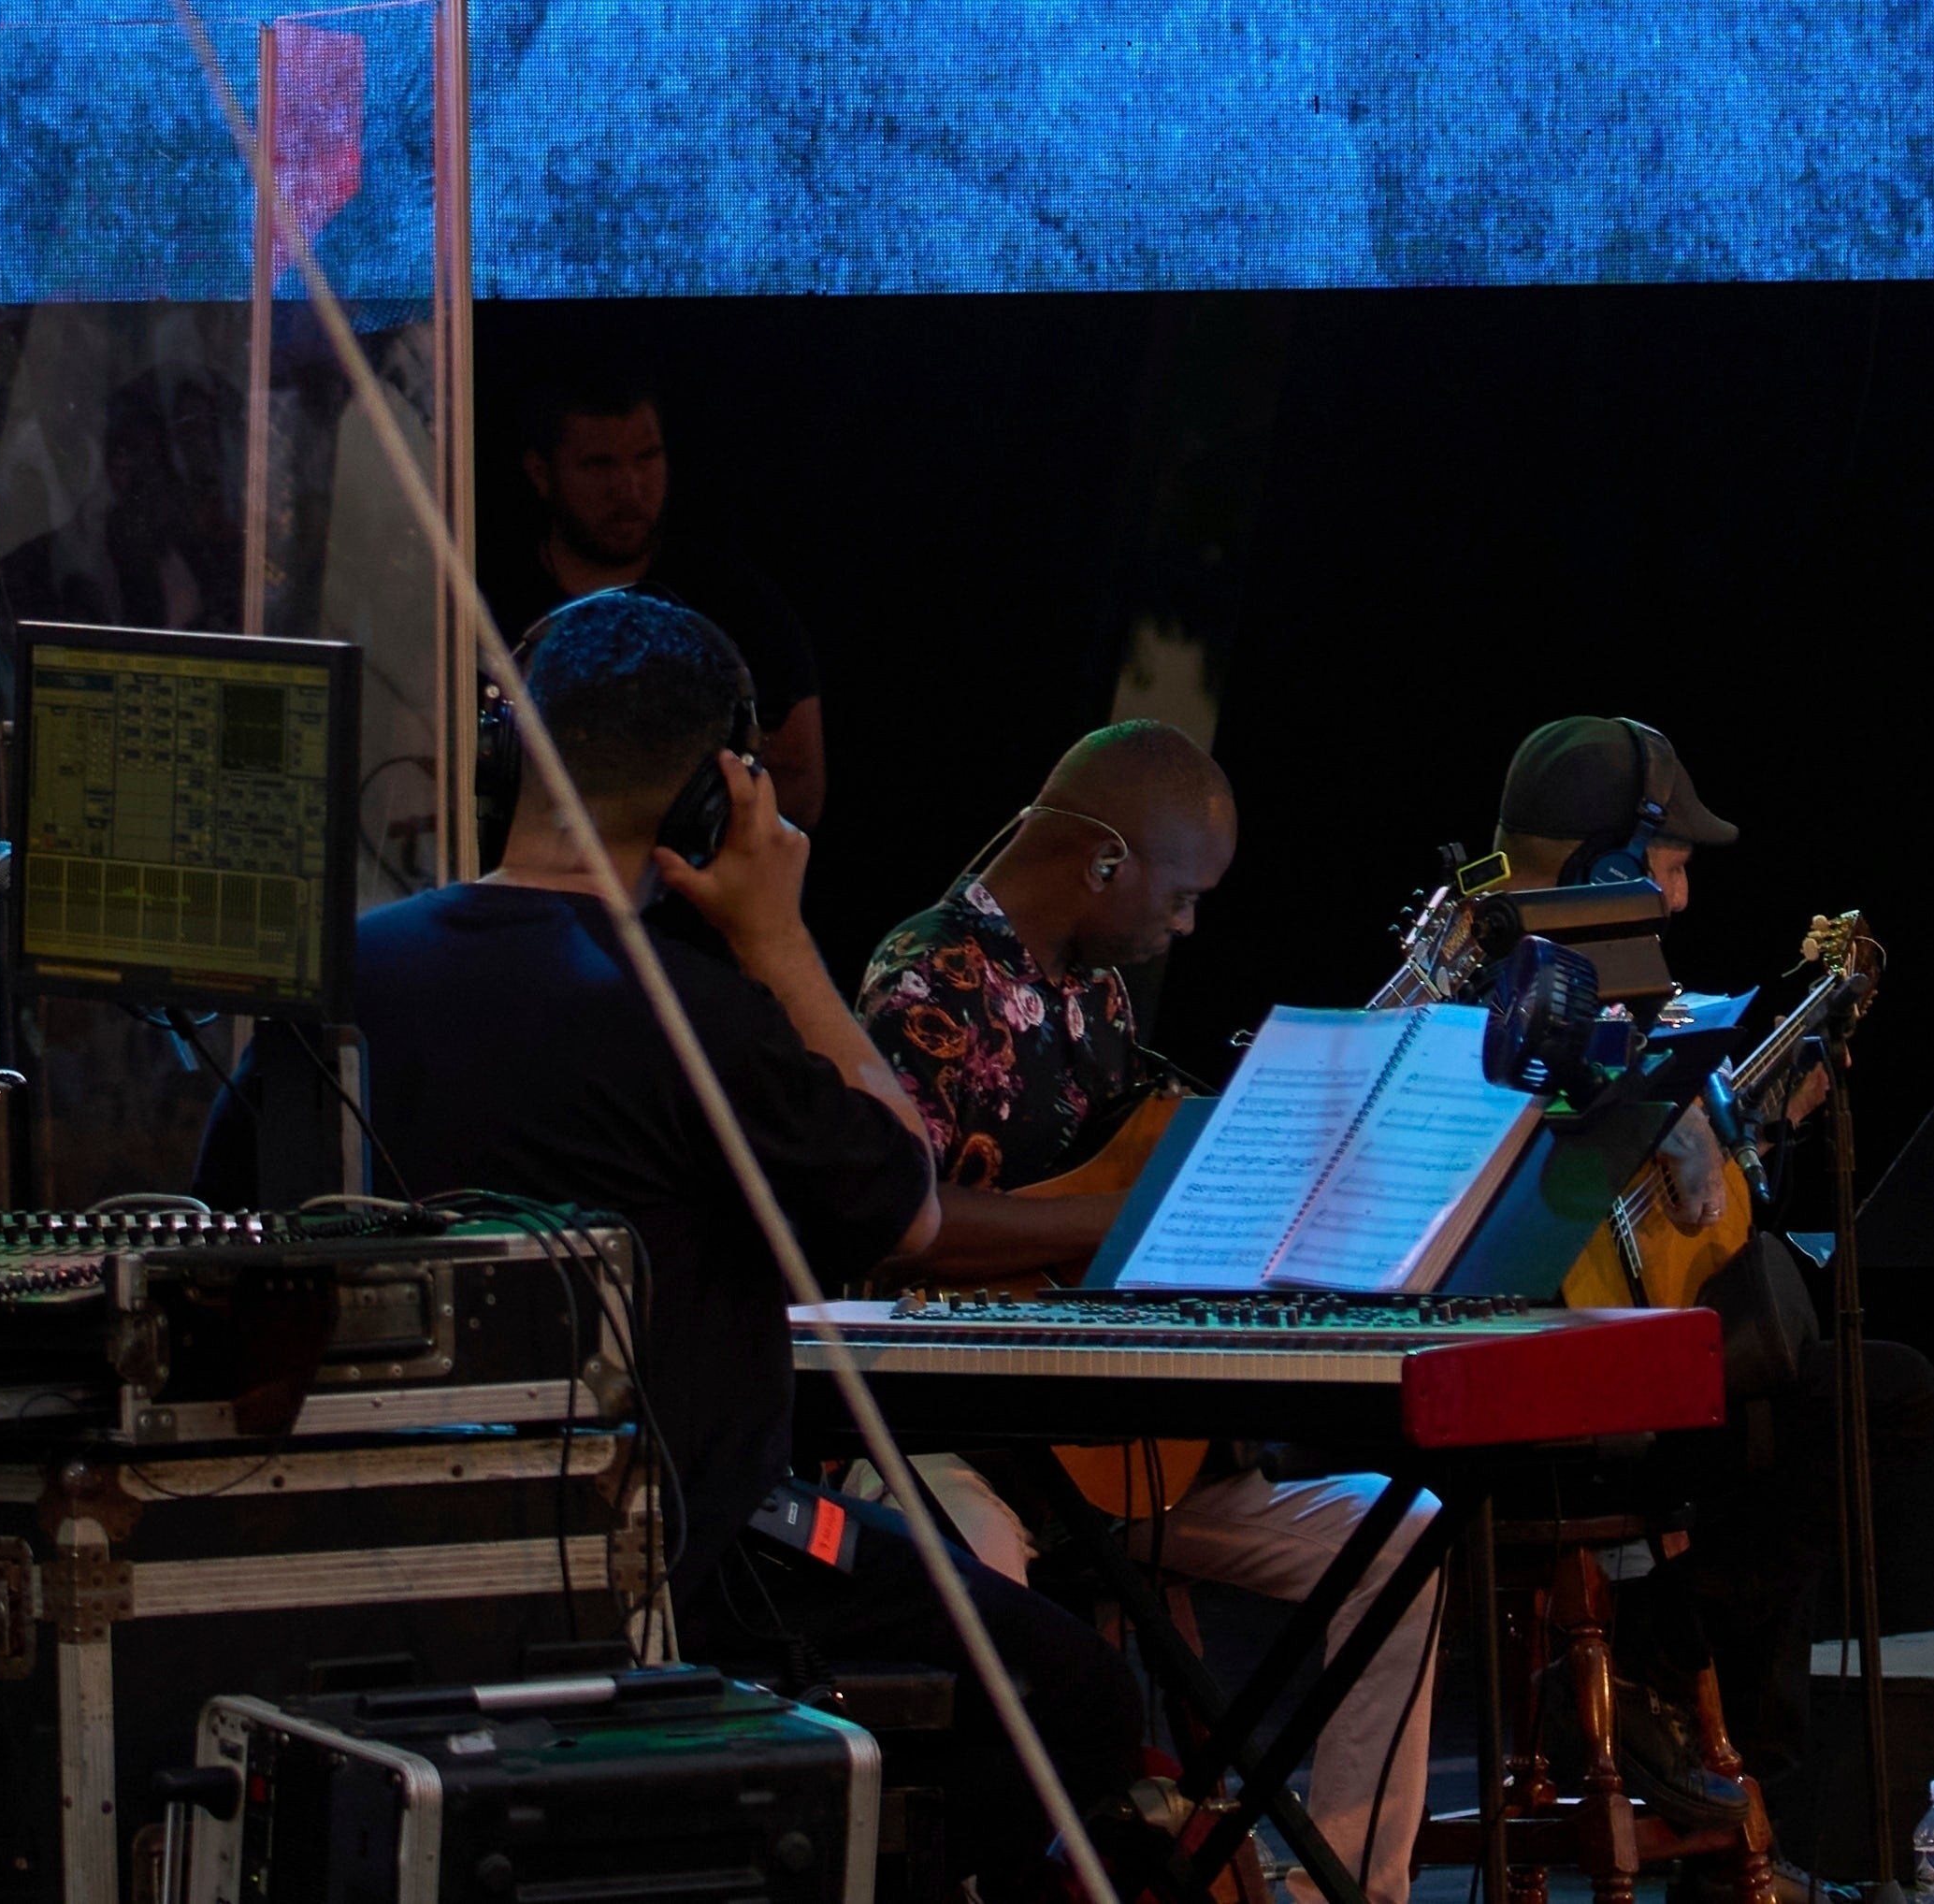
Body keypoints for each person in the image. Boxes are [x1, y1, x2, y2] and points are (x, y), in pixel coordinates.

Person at [228, 590, 1139, 1880]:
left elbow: (235, 1233)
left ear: (504, 749)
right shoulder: (701, 1012)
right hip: (679, 1565)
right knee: (1077, 1696)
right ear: (724, 795)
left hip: (381, 1570)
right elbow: (911, 1207)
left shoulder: (340, 975)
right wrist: (777, 936)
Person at [861, 727, 1438, 1901]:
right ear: (1104, 862)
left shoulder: (1098, 992)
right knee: (989, 1573)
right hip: (954, 1434)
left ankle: (1345, 1887)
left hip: (1103, 1439)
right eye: (1181, 895)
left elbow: (1142, 1174)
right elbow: (898, 1220)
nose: (1188, 924)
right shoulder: (925, 978)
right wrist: (1118, 1217)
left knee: (1403, 1531)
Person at [1472, 714, 1931, 1832]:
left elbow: (1666, 1216)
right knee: (1828, 1406)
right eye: (1669, 865)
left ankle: (1696, 1727)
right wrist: (1655, 1123)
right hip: (1521, 1383)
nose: (1679, 897)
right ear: (1605, 865)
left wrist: (1749, 1138)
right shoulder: (1483, 978)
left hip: (1626, 1354)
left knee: (1824, 1390)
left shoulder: (1615, 985)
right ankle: (1664, 1684)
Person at [516, 365, 832, 831]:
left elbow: (800, 783)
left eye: (646, 457)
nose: (629, 487)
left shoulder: (736, 602)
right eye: (599, 465)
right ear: (542, 474)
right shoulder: (488, 609)